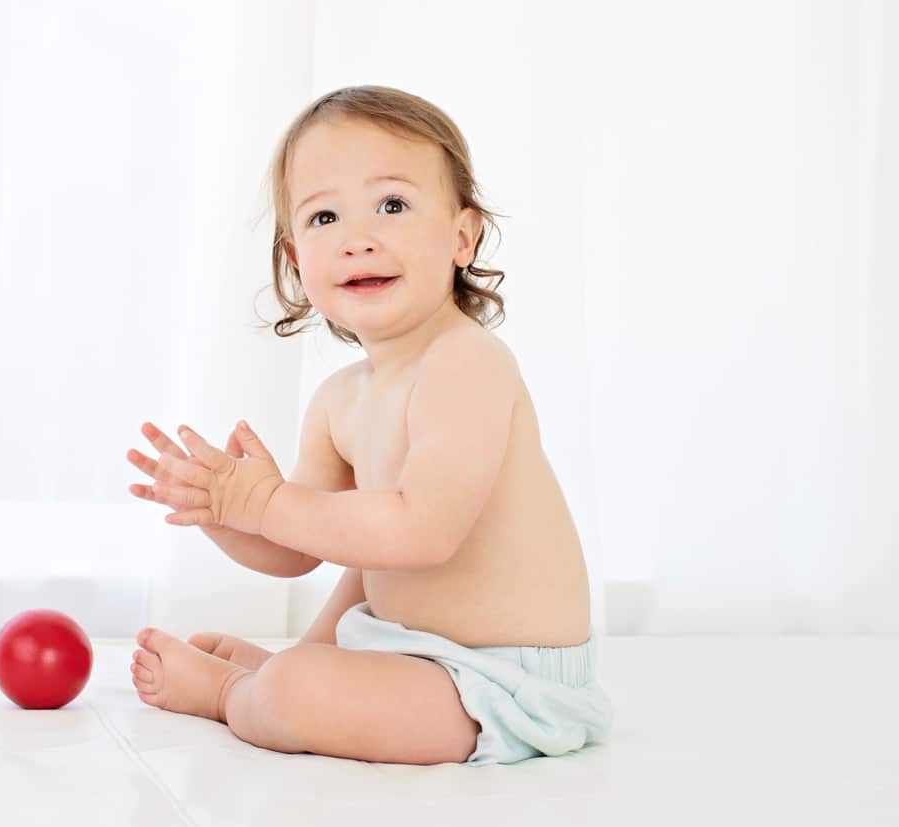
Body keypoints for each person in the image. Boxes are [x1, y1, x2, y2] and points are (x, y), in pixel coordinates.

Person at [124, 85, 612, 765]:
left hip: (504, 680)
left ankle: (236, 692)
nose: (358, 239)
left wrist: (261, 499)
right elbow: (297, 545)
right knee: (334, 617)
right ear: (297, 262)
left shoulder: (467, 362)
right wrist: (220, 506)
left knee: (297, 689)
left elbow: (425, 530)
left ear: (461, 237)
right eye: (325, 217)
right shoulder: (339, 399)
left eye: (392, 205)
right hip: (407, 651)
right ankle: (282, 675)